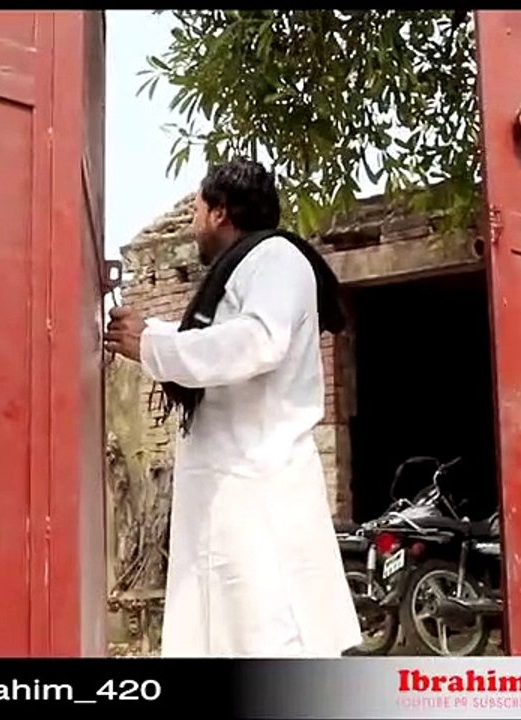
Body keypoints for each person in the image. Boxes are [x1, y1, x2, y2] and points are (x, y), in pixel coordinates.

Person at [103, 158, 362, 658]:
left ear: (220, 212)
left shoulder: (277, 258)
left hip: (259, 488)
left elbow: (257, 341)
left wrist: (154, 346)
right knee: (228, 632)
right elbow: (216, 339)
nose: (194, 224)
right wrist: (149, 335)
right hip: (231, 489)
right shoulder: (247, 267)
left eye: (197, 211)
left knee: (268, 634)